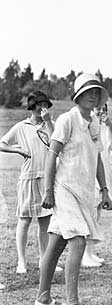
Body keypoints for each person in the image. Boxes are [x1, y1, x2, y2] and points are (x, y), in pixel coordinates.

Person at [35, 73, 112, 305]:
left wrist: (105, 189)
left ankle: (43, 299)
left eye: (96, 92)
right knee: (78, 241)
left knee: (56, 243)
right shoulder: (67, 120)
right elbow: (51, 155)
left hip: (84, 191)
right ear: (77, 95)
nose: (92, 95)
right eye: (88, 91)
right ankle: (72, 304)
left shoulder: (95, 123)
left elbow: (97, 158)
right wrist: (48, 191)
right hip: (63, 189)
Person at [0, 91, 54, 274]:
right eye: (39, 105)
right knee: (24, 219)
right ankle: (21, 261)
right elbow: (2, 143)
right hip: (28, 176)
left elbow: (56, 144)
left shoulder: (49, 125)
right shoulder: (22, 126)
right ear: (32, 106)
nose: (42, 108)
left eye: (45, 105)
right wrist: (18, 150)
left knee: (45, 220)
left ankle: (44, 259)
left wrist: (48, 122)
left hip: (46, 178)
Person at [81, 103, 112, 268]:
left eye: (104, 109)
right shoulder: (88, 126)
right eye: (98, 109)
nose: (102, 112)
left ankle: (89, 252)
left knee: (96, 214)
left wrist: (110, 126)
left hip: (105, 171)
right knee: (89, 213)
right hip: (92, 171)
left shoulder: (105, 127)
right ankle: (83, 255)